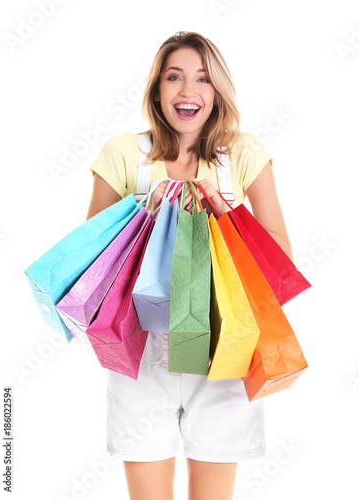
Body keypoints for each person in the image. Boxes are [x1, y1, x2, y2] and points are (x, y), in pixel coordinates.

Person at [86, 31, 292, 500]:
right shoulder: (124, 153)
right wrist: (144, 215)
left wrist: (226, 216)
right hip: (140, 353)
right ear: (157, 89)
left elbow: (281, 256)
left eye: (202, 79)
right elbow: (92, 267)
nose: (188, 91)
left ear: (217, 90)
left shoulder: (242, 153)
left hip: (225, 347)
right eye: (174, 77)